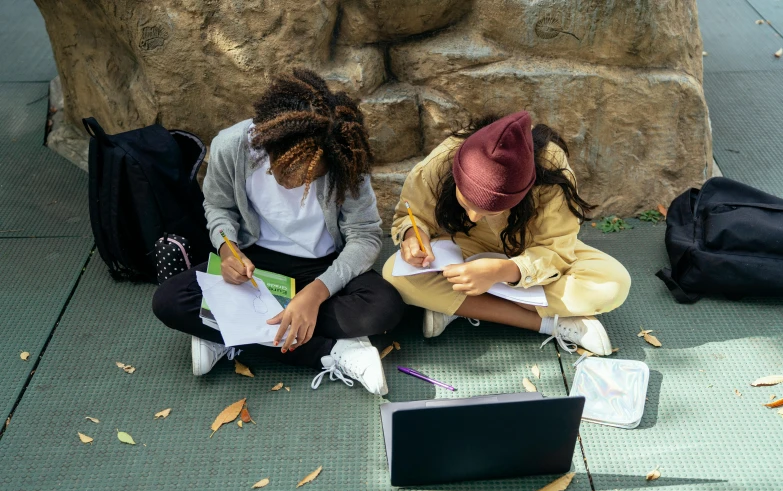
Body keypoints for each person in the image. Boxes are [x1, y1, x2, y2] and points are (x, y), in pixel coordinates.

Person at [153, 69, 406, 395]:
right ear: (268, 143)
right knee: (169, 301)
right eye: (286, 170)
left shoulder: (344, 158)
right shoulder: (232, 146)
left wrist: (315, 294)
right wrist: (228, 248)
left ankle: (232, 333)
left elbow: (365, 235)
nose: (299, 184)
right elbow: (218, 208)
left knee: (384, 308)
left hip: (323, 265)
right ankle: (333, 352)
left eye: (312, 176)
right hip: (257, 265)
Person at [382, 111, 630, 355]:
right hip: (463, 248)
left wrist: (502, 272)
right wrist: (413, 236)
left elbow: (555, 249)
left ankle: (459, 306)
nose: (473, 217)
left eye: (491, 211)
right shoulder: (445, 158)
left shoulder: (552, 168)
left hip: (531, 252)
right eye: (466, 204)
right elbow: (412, 215)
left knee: (613, 284)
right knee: (395, 275)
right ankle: (550, 323)